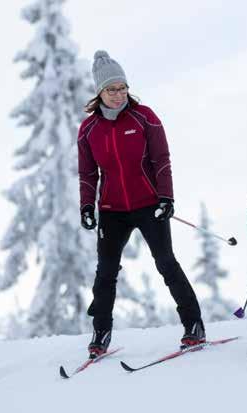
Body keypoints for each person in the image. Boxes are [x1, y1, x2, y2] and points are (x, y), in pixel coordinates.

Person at [78, 50, 205, 358]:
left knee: (166, 263)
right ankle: (101, 333)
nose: (119, 94)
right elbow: (87, 172)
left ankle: (194, 326)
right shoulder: (89, 130)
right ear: (99, 92)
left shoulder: (144, 116)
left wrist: (166, 197)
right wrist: (86, 205)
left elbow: (162, 159)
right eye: (112, 89)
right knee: (106, 271)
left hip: (150, 205)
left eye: (122, 88)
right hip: (112, 210)